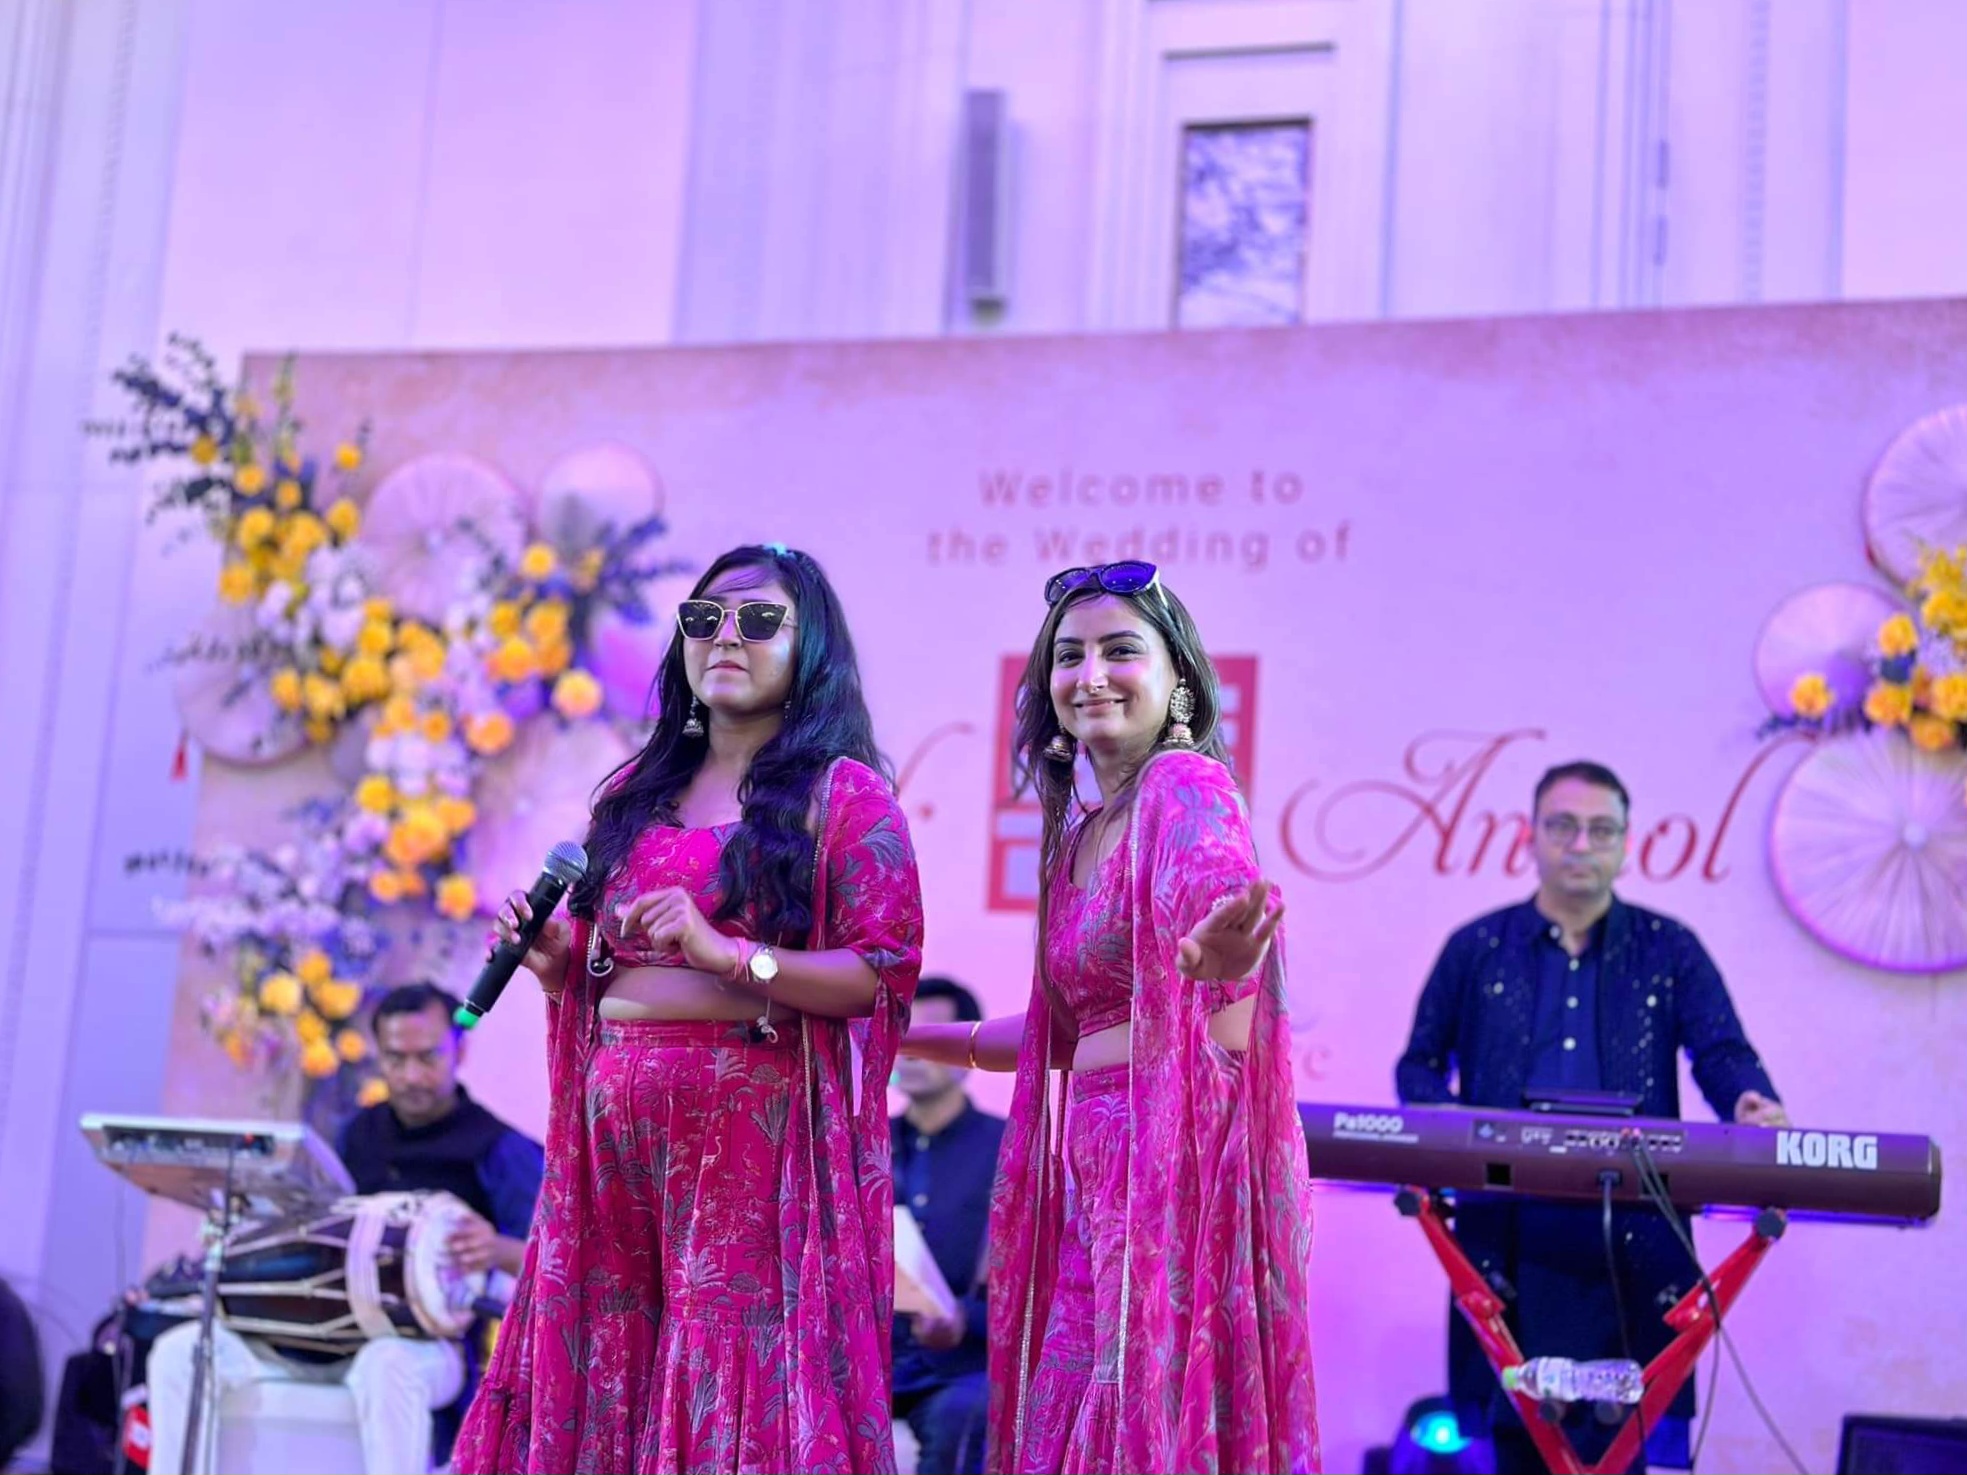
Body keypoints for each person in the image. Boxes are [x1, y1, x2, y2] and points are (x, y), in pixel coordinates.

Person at [454, 543, 924, 1475]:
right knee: (604, 1354)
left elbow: (880, 974)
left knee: (728, 1361)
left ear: (810, 648)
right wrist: (558, 967)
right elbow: (602, 968)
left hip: (749, 1139)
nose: (726, 638)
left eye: (759, 621)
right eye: (705, 619)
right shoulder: (635, 794)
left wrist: (733, 956)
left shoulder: (844, 795)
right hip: (614, 1139)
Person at [898, 559, 1320, 1475]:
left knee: (1141, 1427)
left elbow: (1218, 911)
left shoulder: (1185, 786)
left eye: (1119, 650)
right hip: (1097, 1174)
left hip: (1169, 1162)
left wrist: (1222, 967)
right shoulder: (1079, 834)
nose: (1089, 674)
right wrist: (896, 1035)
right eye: (1068, 655)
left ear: (1179, 680)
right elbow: (1060, 1035)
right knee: (1068, 1422)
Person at [1395, 760, 1786, 1474]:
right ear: (1530, 836)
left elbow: (1720, 1052)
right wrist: (1449, 1125)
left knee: (1625, 1442)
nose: (1581, 844)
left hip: (1634, 1238)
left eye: (1600, 829)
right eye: (1563, 826)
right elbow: (1417, 1066)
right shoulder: (1476, 947)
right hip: (1507, 1238)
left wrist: (1748, 1100)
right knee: (1514, 1442)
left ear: (1626, 844)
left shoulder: (1669, 948)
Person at [148, 982, 544, 1475]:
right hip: (317, 1336)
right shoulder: (356, 1133)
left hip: (425, 1345)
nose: (411, 1075)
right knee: (179, 1353)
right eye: (396, 1059)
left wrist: (495, 1248)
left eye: (427, 1058)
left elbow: (557, 1262)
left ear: (458, 1051)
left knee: (387, 1367)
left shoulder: (499, 1148)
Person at [891, 976, 1004, 1475]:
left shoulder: (1007, 1149)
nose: (912, 1050)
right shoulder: (860, 1143)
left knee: (962, 1416)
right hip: (867, 1355)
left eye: (932, 1036)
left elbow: (1031, 1274)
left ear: (969, 1054)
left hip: (963, 1362)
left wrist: (965, 1318)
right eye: (904, 1034)